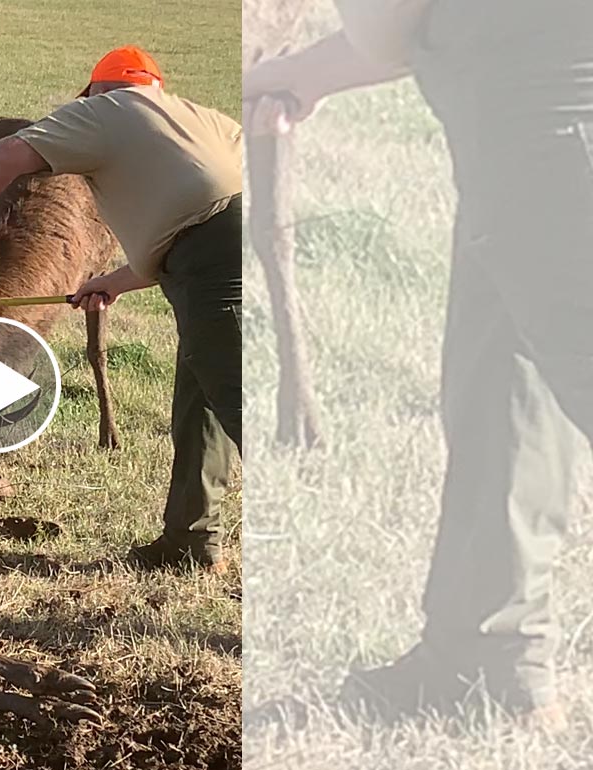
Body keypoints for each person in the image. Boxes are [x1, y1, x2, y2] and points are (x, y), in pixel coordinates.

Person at [245, 0, 593, 731]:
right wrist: (299, 74)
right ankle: (489, 661)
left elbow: (385, 23)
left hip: (555, 139)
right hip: (526, 138)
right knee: (501, 389)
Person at [0, 46, 243, 571]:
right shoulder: (203, 121)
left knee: (242, 402)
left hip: (223, 264)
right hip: (236, 254)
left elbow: (0, 158)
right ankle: (191, 543)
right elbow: (199, 222)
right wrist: (114, 281)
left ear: (96, 91)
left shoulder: (106, 111)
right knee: (201, 404)